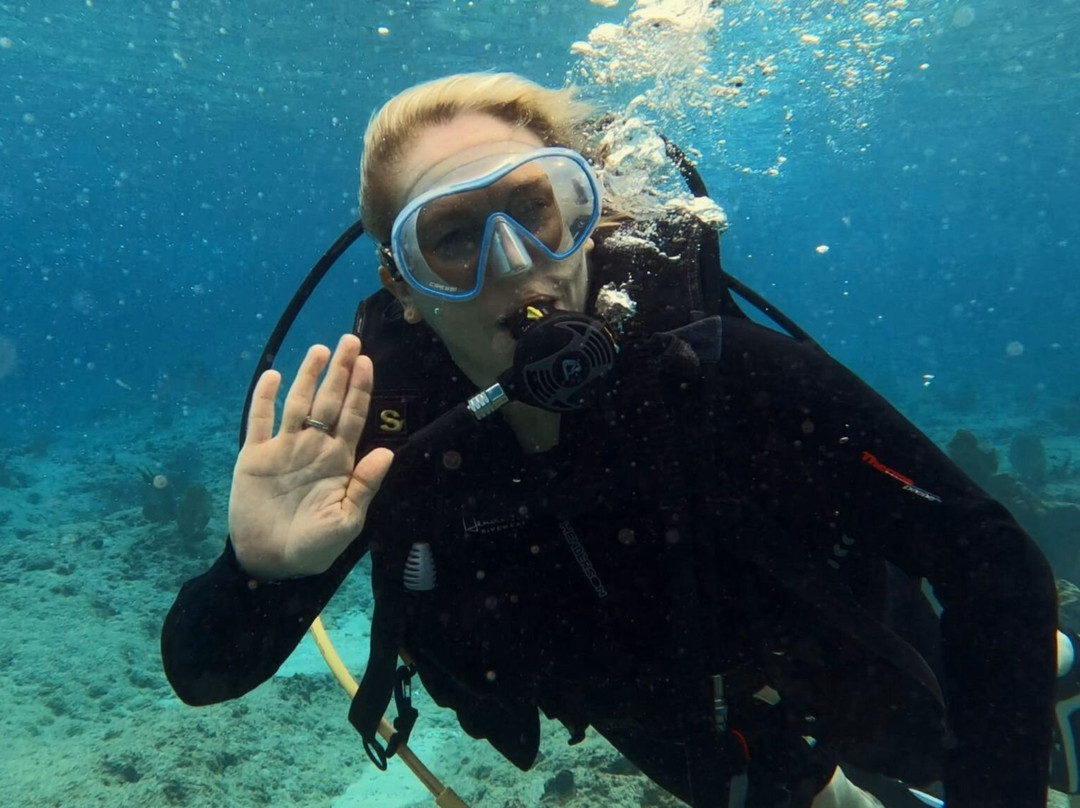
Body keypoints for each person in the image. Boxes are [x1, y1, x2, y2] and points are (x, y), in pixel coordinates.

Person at [161, 73, 1066, 807]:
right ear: (404, 285)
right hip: (656, 704)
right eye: (453, 239)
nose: (514, 262)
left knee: (954, 722)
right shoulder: (385, 440)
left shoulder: (720, 371)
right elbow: (203, 676)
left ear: (583, 215)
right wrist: (259, 574)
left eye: (535, 210)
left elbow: (989, 558)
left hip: (836, 635)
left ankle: (1064, 659)